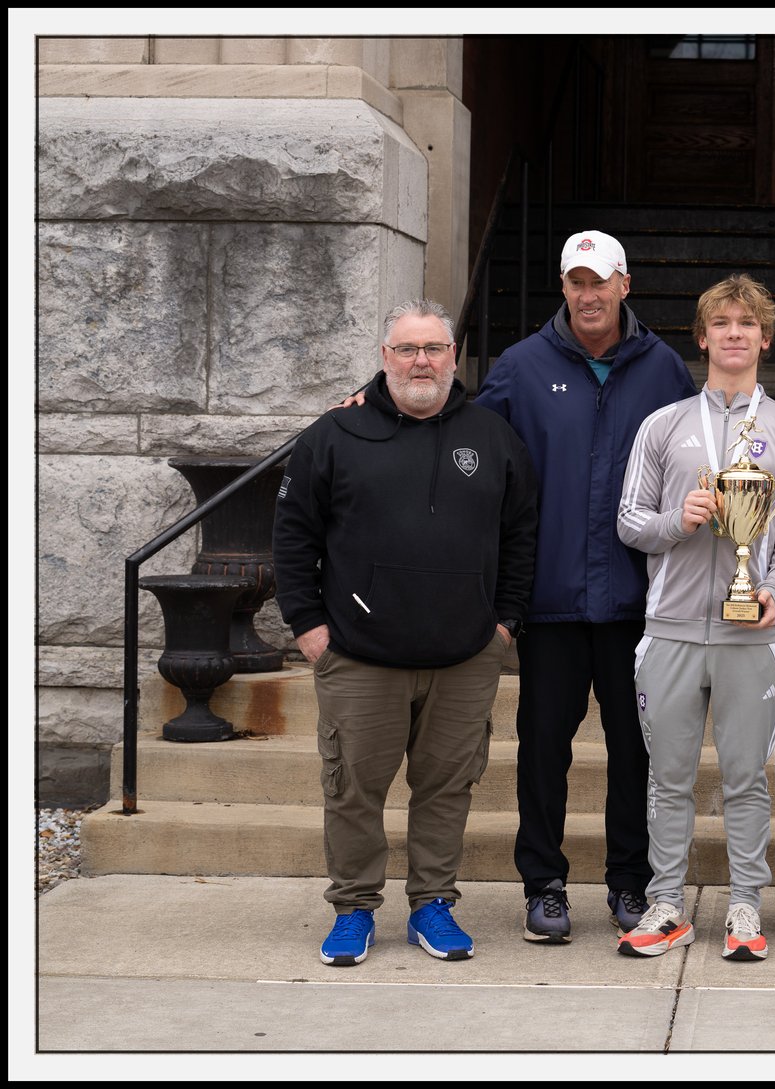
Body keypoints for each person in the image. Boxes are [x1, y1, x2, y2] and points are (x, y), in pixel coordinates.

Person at [274, 299, 538, 966]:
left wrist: (503, 625)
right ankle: (354, 907)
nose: (421, 361)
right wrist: (308, 626)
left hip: (465, 655)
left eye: (434, 348)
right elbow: (293, 534)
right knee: (353, 790)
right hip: (359, 656)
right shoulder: (334, 434)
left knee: (447, 788)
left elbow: (521, 536)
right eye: (407, 349)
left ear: (453, 356)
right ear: (385, 357)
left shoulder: (494, 437)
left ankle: (432, 904)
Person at [475, 230, 696, 943]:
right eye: (576, 281)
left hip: (638, 604)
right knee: (543, 749)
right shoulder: (521, 366)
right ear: (564, 287)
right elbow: (469, 447)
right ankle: (543, 885)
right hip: (551, 601)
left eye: (599, 281)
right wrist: (379, 401)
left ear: (624, 285)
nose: (588, 294)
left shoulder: (663, 368)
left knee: (636, 751)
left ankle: (630, 881)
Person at [615, 273, 775, 961]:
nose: (736, 333)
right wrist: (679, 520)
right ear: (702, 338)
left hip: (749, 633)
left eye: (747, 323)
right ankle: (666, 903)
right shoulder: (663, 425)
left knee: (745, 778)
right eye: (722, 323)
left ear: (766, 338)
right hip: (671, 629)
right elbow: (629, 520)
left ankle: (744, 905)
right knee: (668, 777)